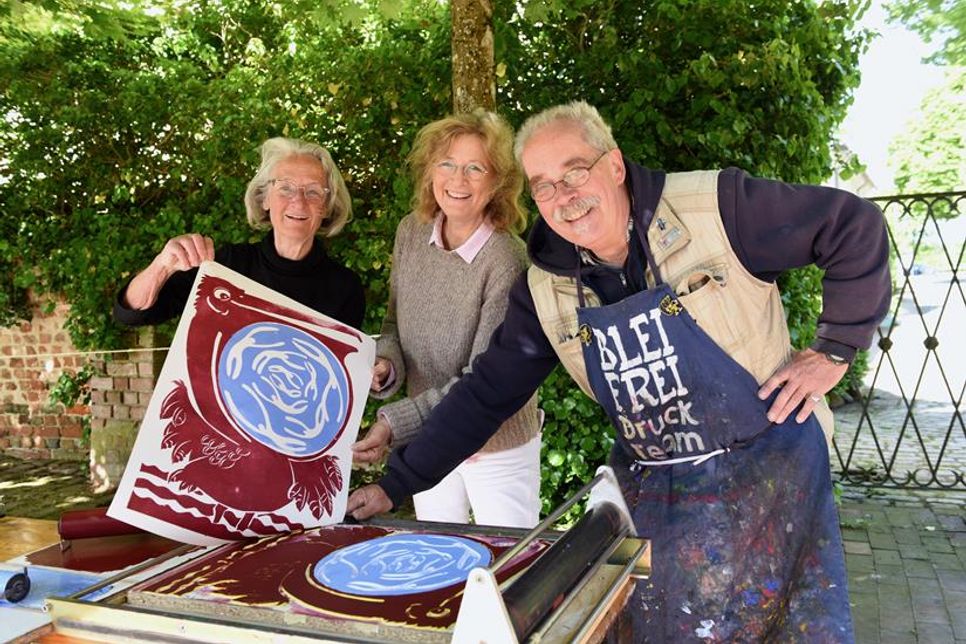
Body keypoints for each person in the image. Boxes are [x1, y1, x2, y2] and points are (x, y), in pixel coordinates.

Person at [348, 101, 891, 641]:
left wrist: (835, 348)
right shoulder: (546, 287)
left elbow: (853, 225)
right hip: (658, 490)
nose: (564, 197)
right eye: (544, 185)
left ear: (614, 166)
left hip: (772, 478)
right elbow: (487, 392)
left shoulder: (715, 209)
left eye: (575, 172)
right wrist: (396, 484)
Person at [352, 110, 542, 528]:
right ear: (429, 172)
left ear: (497, 182)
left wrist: (393, 423)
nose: (458, 180)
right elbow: (392, 326)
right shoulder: (410, 232)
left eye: (476, 168)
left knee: (507, 568)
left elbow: (482, 379)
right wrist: (385, 367)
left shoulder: (506, 259)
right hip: (428, 440)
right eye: (447, 164)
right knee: (436, 561)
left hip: (497, 444)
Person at [114, 137, 365, 330]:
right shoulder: (225, 266)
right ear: (265, 197)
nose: (298, 201)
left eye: (313, 191)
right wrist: (163, 266)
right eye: (285, 188)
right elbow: (130, 313)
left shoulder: (345, 288)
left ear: (327, 205)